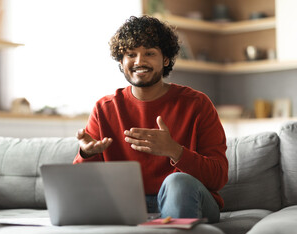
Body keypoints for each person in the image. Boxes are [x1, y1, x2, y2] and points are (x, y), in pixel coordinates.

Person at [73, 15, 228, 223]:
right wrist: (86, 154)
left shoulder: (197, 104)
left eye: (149, 53)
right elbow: (77, 186)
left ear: (165, 59)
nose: (139, 61)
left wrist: (175, 150)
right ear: (121, 61)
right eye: (131, 54)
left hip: (191, 200)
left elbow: (218, 177)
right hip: (128, 205)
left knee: (177, 183)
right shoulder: (105, 109)